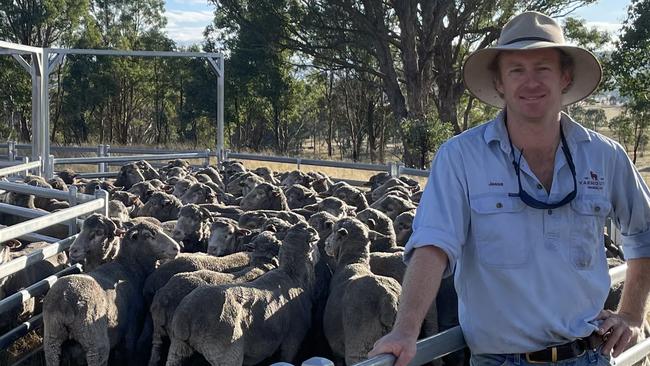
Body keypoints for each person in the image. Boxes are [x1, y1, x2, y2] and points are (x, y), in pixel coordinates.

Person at [369, 11, 650, 366]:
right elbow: (434, 243)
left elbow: (644, 229)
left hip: (587, 355)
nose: (530, 82)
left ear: (564, 77)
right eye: (516, 69)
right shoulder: (460, 158)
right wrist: (405, 330)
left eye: (543, 68)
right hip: (499, 360)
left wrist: (632, 315)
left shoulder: (604, 156)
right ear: (500, 82)